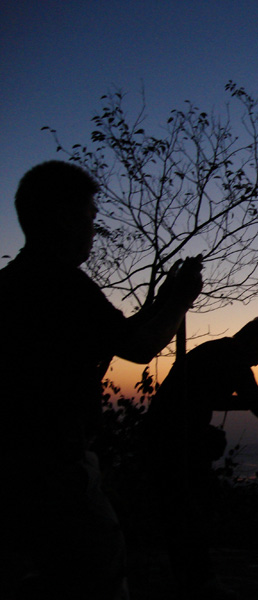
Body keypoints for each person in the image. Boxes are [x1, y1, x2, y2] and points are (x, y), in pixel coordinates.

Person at [0, 160, 202, 599]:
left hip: (18, 465)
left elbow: (118, 333)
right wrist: (182, 298)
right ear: (63, 218)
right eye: (90, 218)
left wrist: (167, 297)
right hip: (53, 467)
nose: (94, 231)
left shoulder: (17, 282)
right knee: (96, 576)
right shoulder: (60, 285)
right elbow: (139, 344)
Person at [144, 316, 258, 599]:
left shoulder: (215, 351)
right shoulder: (235, 359)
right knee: (192, 511)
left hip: (162, 435)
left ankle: (189, 578)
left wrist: (257, 399)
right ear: (253, 342)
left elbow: (208, 397)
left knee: (181, 511)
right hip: (177, 441)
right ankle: (198, 583)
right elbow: (257, 409)